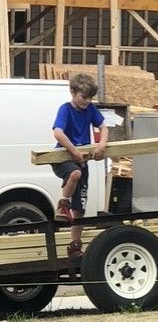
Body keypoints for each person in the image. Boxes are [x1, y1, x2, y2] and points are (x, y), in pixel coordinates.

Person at [51, 73, 108, 258]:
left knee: (80, 209)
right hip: (63, 158)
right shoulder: (65, 109)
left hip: (81, 161)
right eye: (84, 97)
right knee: (74, 173)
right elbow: (58, 133)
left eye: (90, 98)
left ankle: (75, 246)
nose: (87, 101)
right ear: (73, 92)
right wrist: (74, 151)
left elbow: (104, 127)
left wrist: (101, 146)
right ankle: (62, 204)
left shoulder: (90, 109)